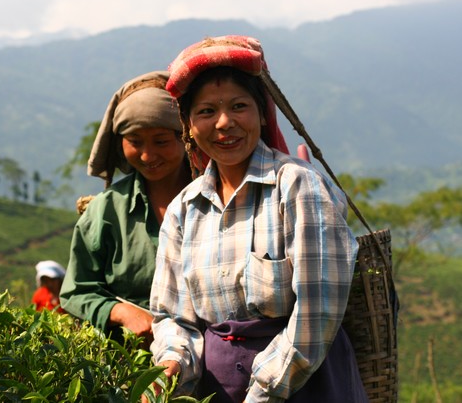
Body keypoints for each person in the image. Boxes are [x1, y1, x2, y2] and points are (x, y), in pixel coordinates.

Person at [149, 36, 367, 402]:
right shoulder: (184, 210)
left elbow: (318, 310)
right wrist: (171, 367)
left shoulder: (297, 187)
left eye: (238, 106)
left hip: (306, 385)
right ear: (187, 125)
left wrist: (264, 391)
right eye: (206, 112)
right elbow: (174, 317)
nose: (224, 123)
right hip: (219, 391)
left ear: (262, 113)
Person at [59, 71, 193, 348]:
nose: (147, 155)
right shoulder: (106, 211)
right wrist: (120, 312)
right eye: (135, 142)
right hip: (131, 364)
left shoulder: (217, 199)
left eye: (161, 141)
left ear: (185, 137)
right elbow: (76, 290)